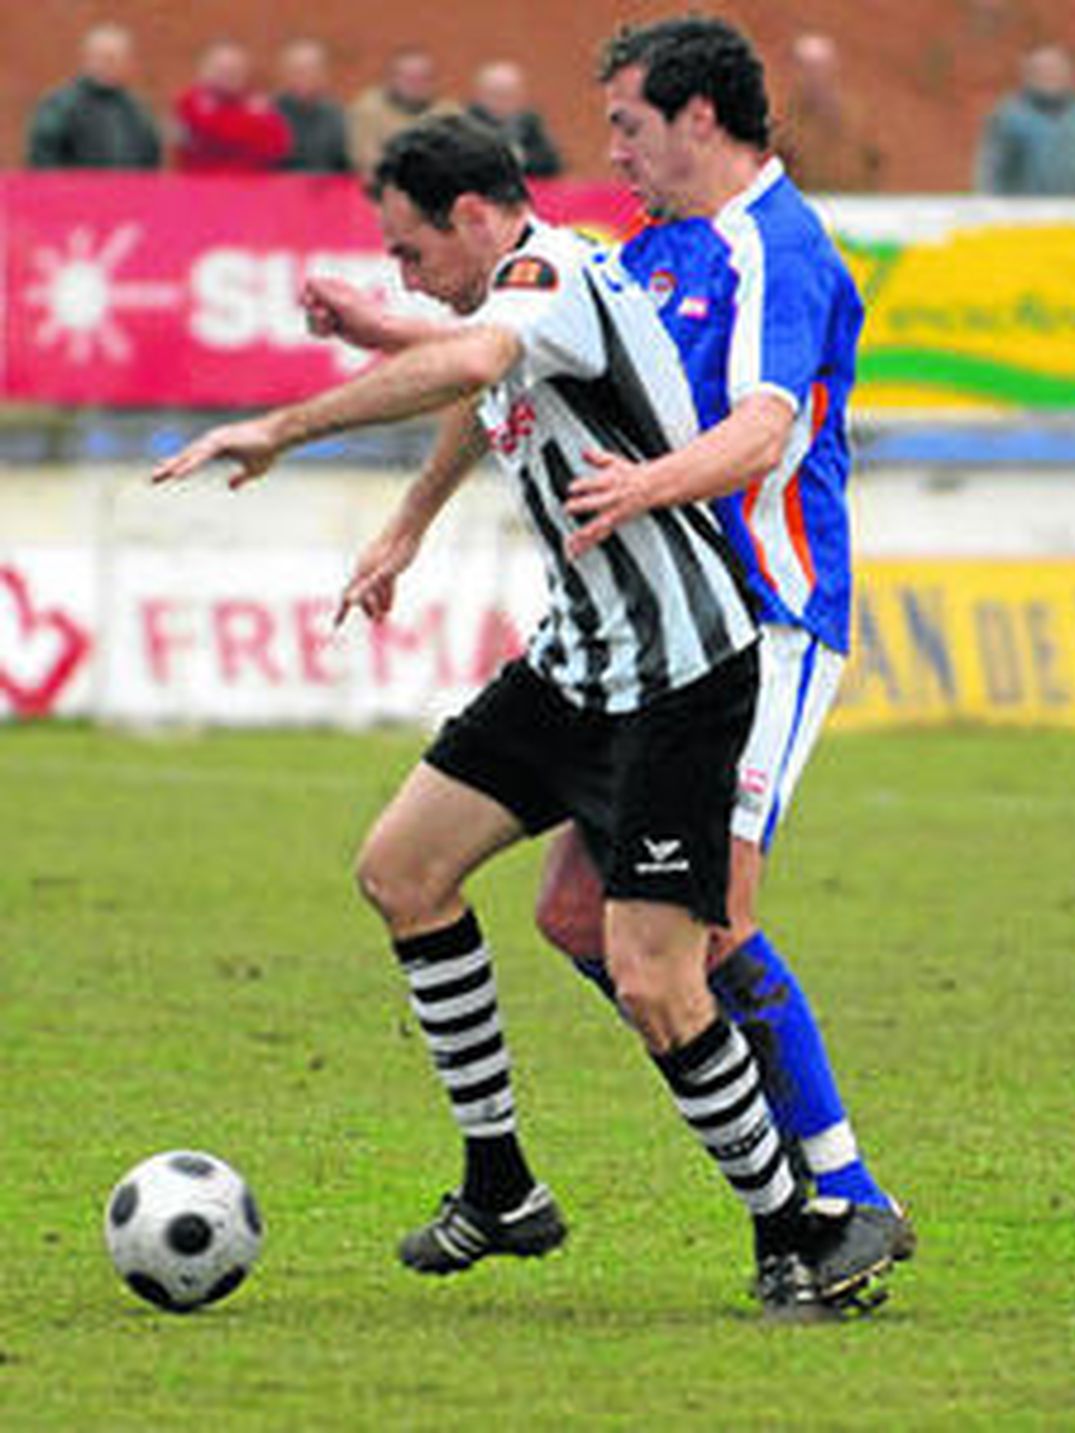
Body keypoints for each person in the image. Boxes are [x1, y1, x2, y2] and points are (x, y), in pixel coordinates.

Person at [152, 114, 897, 1319]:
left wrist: (281, 427)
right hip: (578, 665)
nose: (403, 275)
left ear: (472, 220)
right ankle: (500, 1184)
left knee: (658, 979)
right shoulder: (519, 295)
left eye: (408, 252)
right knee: (402, 869)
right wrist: (402, 509)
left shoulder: (548, 274)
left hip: (680, 677)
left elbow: (464, 358)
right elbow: (470, 369)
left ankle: (798, 1225)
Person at [303, 15, 912, 1260]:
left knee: (707, 922)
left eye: (627, 123)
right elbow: (508, 378)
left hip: (768, 617)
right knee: (584, 920)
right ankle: (707, 1143)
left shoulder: (777, 250)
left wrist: (652, 485)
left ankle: (843, 1193)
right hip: (633, 637)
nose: (610, 149)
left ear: (699, 118)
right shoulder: (651, 247)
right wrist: (412, 519)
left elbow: (763, 431)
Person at [973, 43, 1075, 195]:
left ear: (1071, 73)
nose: (1050, 75)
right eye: (1042, 70)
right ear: (1028, 75)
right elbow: (991, 176)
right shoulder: (1008, 119)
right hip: (1024, 215)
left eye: (1057, 69)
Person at [26, 22, 162, 169]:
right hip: (75, 191)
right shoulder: (61, 106)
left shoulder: (136, 109)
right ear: (87, 59)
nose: (111, 65)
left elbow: (151, 159)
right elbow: (43, 159)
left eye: (119, 59)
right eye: (105, 58)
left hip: (126, 191)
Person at [774, 33, 881, 193]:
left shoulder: (858, 117)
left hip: (851, 205)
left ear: (833, 69)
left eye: (819, 68)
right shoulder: (783, 121)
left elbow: (876, 163)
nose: (813, 76)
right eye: (805, 68)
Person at [172, 39, 293, 174]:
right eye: (221, 70)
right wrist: (249, 128)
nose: (228, 76)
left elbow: (277, 147)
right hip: (202, 184)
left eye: (234, 70)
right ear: (206, 71)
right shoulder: (190, 101)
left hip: (252, 184)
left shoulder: (261, 105)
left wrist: (233, 129)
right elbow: (207, 133)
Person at [347, 47, 459, 181]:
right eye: (409, 78)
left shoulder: (449, 112)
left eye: (424, 78)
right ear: (390, 79)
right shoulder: (368, 110)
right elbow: (366, 162)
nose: (417, 85)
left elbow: (456, 161)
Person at [466, 60, 563, 179]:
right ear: (480, 95)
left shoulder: (529, 122)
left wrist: (519, 158)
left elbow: (553, 163)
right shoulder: (465, 123)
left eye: (508, 95)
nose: (501, 102)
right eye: (495, 94)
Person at [274, 37, 350, 173]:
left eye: (311, 70)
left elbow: (346, 165)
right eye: (297, 71)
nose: (304, 77)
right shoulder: (269, 115)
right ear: (284, 74)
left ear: (323, 74)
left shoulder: (337, 116)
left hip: (327, 190)